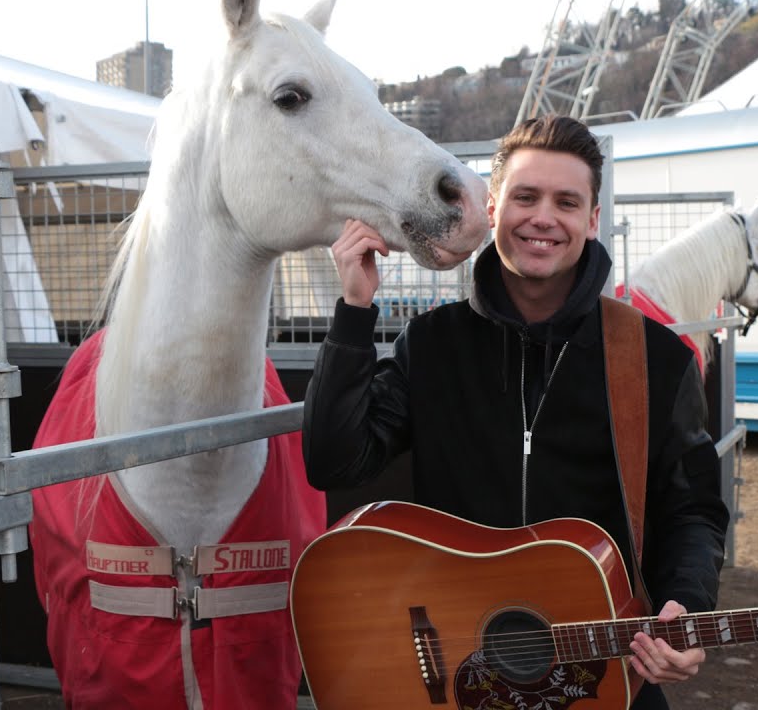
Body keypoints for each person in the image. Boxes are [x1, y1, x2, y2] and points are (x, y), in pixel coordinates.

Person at [301, 114, 729, 709]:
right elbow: (333, 460)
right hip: (453, 677)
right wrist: (354, 310)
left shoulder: (654, 359)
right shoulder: (430, 345)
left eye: (566, 202)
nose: (544, 218)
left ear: (592, 220)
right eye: (525, 197)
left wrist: (686, 603)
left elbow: (694, 509)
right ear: (494, 207)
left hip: (603, 680)